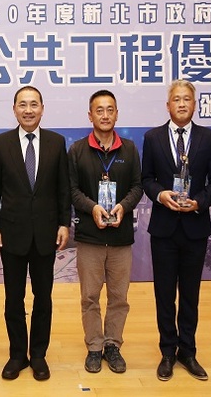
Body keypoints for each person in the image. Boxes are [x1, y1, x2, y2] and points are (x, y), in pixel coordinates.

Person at [141, 80, 211, 382]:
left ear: (194, 104)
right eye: (176, 99)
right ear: (168, 106)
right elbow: (146, 178)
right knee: (164, 294)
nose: (181, 104)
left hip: (195, 227)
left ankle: (187, 351)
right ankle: (167, 351)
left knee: (190, 294)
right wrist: (160, 194)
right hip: (164, 228)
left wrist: (200, 202)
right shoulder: (152, 138)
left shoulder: (208, 137)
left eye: (186, 99)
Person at [0, 86, 71, 381]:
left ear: (42, 108)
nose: (28, 110)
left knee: (43, 299)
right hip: (11, 233)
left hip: (46, 234)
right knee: (13, 299)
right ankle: (17, 355)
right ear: (14, 109)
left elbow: (63, 188)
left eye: (34, 104)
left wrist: (64, 223)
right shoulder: (1, 143)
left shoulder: (56, 143)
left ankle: (38, 355)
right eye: (22, 104)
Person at [68, 90, 143, 374]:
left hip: (121, 238)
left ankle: (112, 345)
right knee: (89, 296)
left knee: (119, 296)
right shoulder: (77, 151)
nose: (105, 115)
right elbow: (71, 190)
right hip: (90, 236)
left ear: (117, 114)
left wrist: (123, 206)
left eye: (110, 109)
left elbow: (138, 186)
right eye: (99, 110)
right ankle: (94, 346)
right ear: (90, 115)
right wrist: (93, 208)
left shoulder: (129, 149)